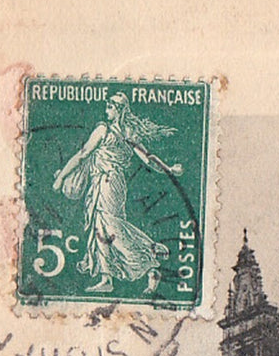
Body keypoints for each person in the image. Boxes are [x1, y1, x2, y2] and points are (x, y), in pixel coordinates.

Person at [51, 92, 183, 294]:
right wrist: (169, 169)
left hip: (105, 182)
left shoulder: (103, 129)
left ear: (119, 110)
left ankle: (145, 255)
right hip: (115, 184)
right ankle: (116, 274)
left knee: (106, 225)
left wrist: (61, 177)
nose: (107, 109)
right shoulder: (128, 133)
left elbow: (83, 154)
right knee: (107, 225)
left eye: (110, 106)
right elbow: (148, 158)